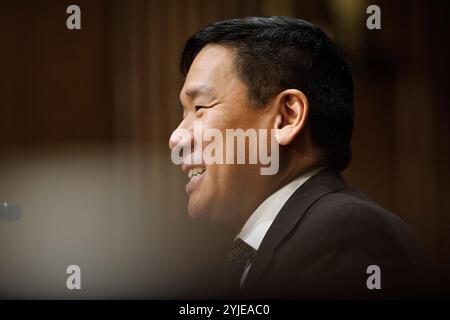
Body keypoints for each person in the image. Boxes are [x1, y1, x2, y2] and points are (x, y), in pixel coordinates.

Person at [169, 16, 430, 298]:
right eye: (184, 112)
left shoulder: (350, 235)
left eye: (200, 107)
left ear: (286, 117)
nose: (176, 138)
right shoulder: (264, 245)